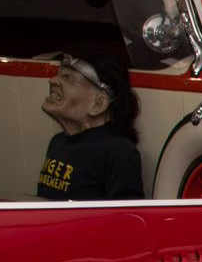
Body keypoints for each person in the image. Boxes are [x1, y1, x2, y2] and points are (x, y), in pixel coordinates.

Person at [36, 50, 143, 200]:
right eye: (59, 74)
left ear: (99, 103)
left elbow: (125, 217)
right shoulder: (57, 143)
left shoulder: (119, 152)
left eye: (68, 78)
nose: (52, 80)